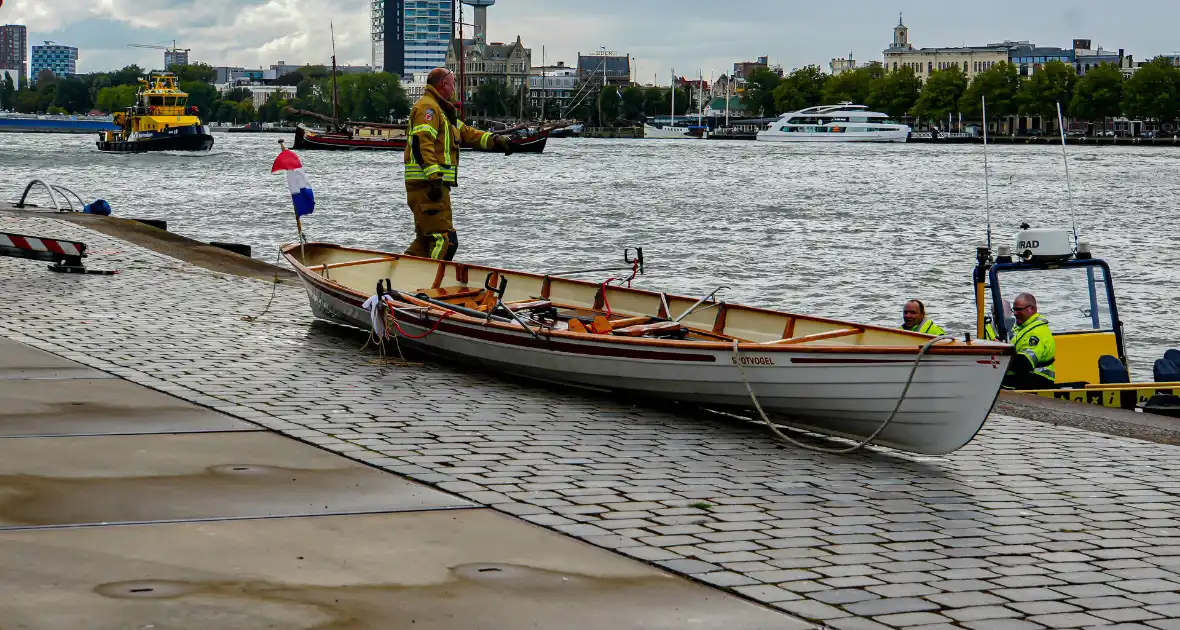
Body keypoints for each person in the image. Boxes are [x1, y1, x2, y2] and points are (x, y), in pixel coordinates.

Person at [403, 67, 513, 260]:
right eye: (453, 84)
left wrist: (494, 140)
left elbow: (467, 133)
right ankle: (431, 283)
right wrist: (434, 177)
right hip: (428, 187)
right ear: (444, 85)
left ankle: (402, 276)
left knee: (425, 241)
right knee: (444, 240)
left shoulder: (443, 113)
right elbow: (421, 143)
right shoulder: (428, 109)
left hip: (432, 187)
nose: (454, 89)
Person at [1002, 292, 1056, 390]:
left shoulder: (1037, 332)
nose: (1015, 313)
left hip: (1038, 381)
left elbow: (1025, 363)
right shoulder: (1022, 328)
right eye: (1014, 309)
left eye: (1019, 309)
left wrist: (1000, 355)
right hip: (1022, 378)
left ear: (1032, 308)